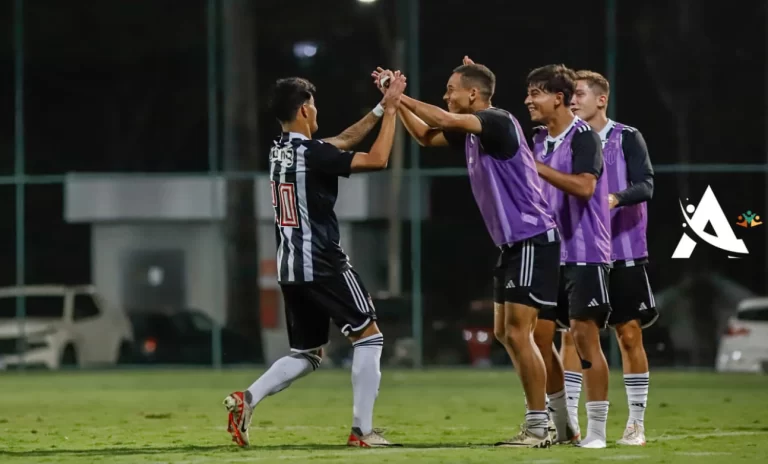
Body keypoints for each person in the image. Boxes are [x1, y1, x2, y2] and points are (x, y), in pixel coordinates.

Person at [373, 57, 560, 448]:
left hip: (532, 238)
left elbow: (445, 120)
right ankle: (547, 421)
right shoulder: (475, 131)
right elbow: (426, 136)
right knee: (504, 333)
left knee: (518, 333)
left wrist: (402, 95)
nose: (446, 95)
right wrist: (397, 103)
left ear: (473, 94)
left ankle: (541, 426)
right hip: (512, 244)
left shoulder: (496, 121)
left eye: (451, 89)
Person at [223, 74, 407, 448]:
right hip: (322, 260)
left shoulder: (280, 149)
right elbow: (378, 158)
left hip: (290, 266)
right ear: (306, 108)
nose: (317, 110)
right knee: (369, 337)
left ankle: (247, 399)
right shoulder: (313, 154)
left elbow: (339, 143)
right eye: (314, 105)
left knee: (307, 353)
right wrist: (391, 112)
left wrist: (377, 108)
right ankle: (362, 431)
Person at [561, 69, 656, 446]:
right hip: (580, 251)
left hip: (623, 249)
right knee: (573, 336)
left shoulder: (626, 137)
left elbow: (646, 183)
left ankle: (635, 422)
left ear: (601, 99)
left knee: (628, 334)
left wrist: (615, 198)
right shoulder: (565, 141)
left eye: (580, 94)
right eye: (570, 94)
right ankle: (569, 420)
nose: (573, 100)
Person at [526, 64, 612, 449]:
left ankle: (597, 431)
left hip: (585, 251)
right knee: (539, 339)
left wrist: (537, 170)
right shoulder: (537, 139)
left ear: (557, 98)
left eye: (536, 94)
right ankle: (564, 427)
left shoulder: (585, 138)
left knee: (583, 337)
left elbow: (584, 187)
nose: (528, 101)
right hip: (549, 253)